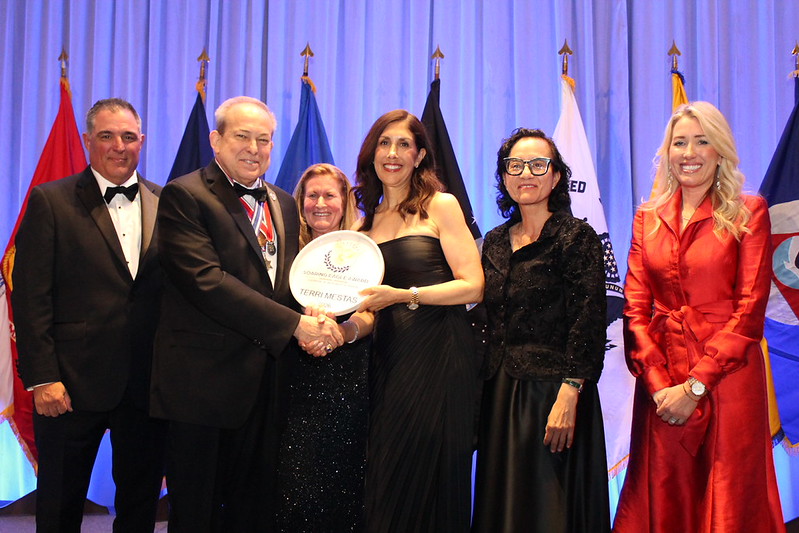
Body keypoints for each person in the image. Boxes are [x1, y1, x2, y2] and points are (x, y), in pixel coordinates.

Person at [150, 96, 343, 533]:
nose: (254, 148)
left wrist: (314, 312)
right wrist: (295, 325)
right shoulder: (185, 194)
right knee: (197, 514)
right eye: (242, 136)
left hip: (269, 384)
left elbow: (283, 284)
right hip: (203, 386)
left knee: (254, 511)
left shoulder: (284, 202)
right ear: (216, 140)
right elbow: (206, 281)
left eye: (264, 139)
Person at [613, 102, 785, 532]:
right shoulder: (647, 218)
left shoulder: (749, 211)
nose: (689, 153)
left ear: (720, 151)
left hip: (728, 379)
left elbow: (749, 311)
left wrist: (696, 386)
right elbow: (634, 308)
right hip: (662, 380)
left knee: (729, 496)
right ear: (667, 152)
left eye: (702, 141)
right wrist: (659, 386)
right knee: (665, 489)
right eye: (680, 142)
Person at [12, 98, 166, 533]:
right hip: (69, 385)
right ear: (87, 140)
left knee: (140, 506)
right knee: (60, 506)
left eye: (129, 137)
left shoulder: (166, 201)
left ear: (142, 141)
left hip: (146, 385)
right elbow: (31, 297)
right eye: (107, 136)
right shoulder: (51, 200)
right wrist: (43, 378)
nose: (119, 146)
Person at [471, 128, 610, 532]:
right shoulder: (494, 242)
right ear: (504, 177)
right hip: (499, 394)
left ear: (555, 176)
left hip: (554, 394)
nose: (526, 173)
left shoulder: (576, 237)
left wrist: (571, 391)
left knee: (550, 510)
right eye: (515, 166)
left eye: (537, 164)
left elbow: (588, 320)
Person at [353, 109, 483, 532]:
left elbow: (473, 286)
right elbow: (363, 305)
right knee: (386, 478)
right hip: (388, 362)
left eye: (404, 144)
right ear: (372, 153)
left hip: (440, 357)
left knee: (433, 479)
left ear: (420, 155)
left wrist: (404, 295)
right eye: (384, 143)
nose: (392, 153)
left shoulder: (440, 206)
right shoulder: (363, 224)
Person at [276, 163, 373, 532]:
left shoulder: (366, 250)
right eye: (312, 195)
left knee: (343, 479)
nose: (320, 203)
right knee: (294, 479)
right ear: (300, 201)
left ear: (344, 201)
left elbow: (373, 311)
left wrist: (341, 332)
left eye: (329, 195)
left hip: (348, 377)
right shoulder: (286, 249)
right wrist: (305, 331)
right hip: (294, 375)